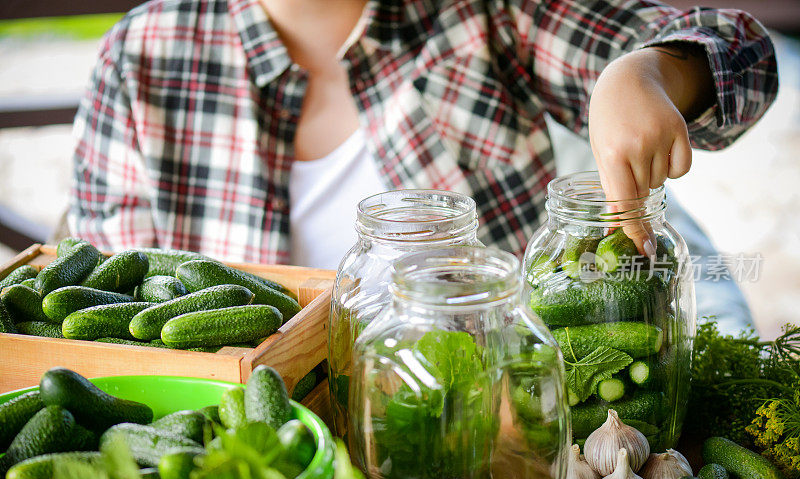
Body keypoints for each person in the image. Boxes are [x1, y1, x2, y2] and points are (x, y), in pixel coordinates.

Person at [68, 0, 778, 270]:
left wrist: (650, 70)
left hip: (496, 439)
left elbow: (742, 48)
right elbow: (107, 303)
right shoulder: (142, 58)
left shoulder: (489, 17)